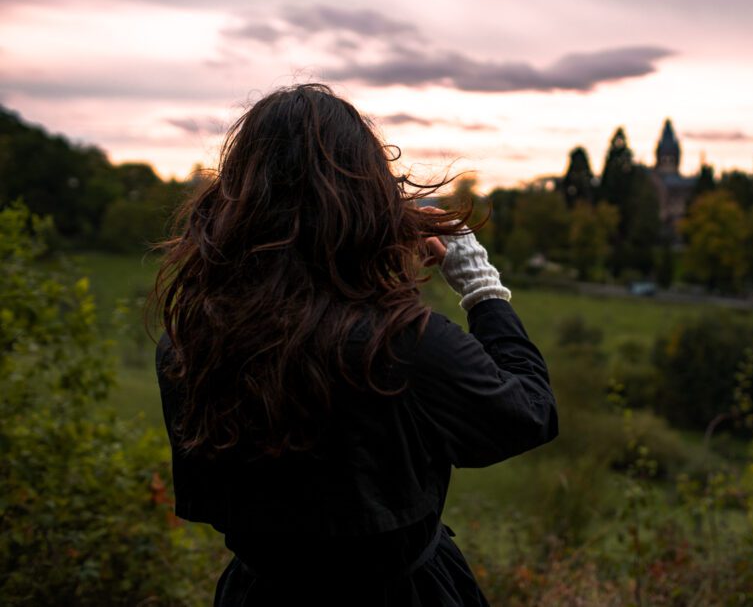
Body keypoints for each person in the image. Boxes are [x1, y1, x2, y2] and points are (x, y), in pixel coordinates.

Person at [152, 83, 558, 605]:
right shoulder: (401, 344)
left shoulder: (188, 347)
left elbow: (209, 497)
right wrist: (480, 286)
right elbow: (529, 412)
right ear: (365, 198)